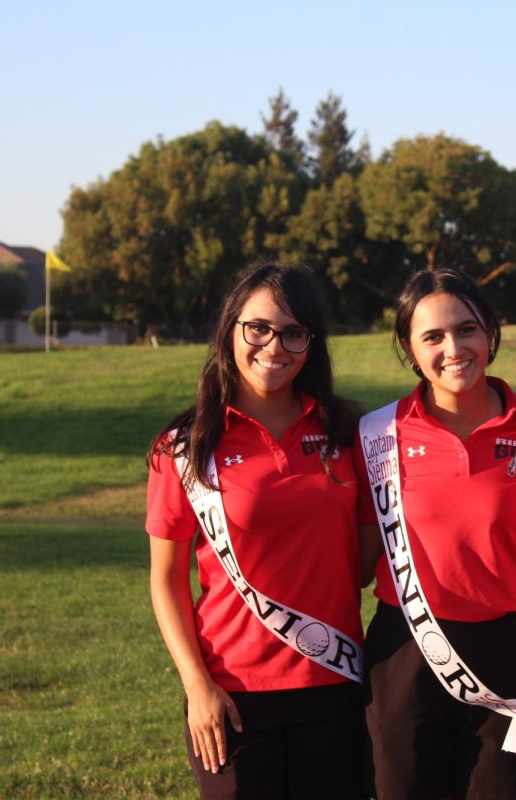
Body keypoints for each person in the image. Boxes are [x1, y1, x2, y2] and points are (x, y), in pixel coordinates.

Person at [145, 263, 366, 799]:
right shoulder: (184, 447)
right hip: (234, 693)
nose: (275, 346)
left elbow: (366, 560)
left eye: (294, 333)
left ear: (312, 344)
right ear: (230, 330)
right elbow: (166, 580)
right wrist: (197, 687)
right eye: (259, 328)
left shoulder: (347, 431)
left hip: (334, 684)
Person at [356, 267, 516, 800]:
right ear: (409, 349)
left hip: (509, 656)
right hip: (405, 653)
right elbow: (351, 554)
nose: (454, 348)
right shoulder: (377, 435)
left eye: (467, 329)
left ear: (489, 332)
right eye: (432, 336)